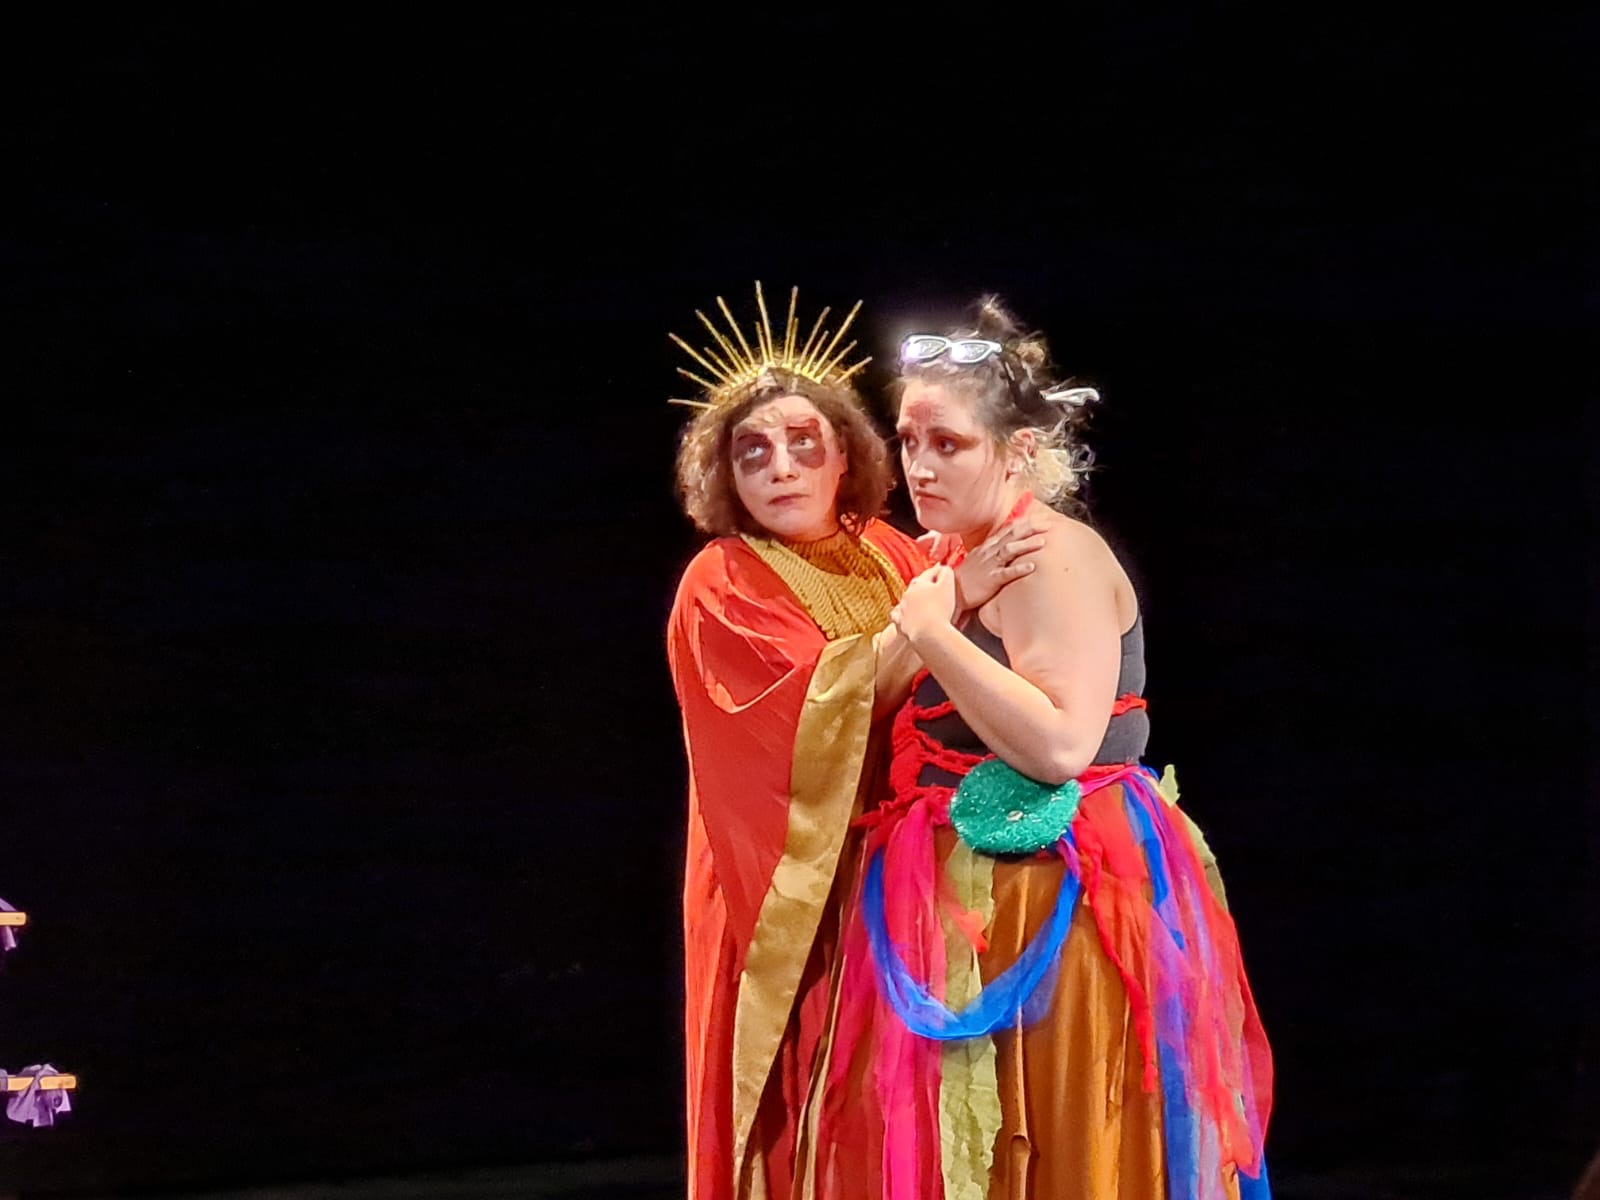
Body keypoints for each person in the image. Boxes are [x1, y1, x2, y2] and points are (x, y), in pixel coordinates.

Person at [816, 297, 1273, 1200]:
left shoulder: (1046, 557)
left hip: (1059, 895)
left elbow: (1062, 745)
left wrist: (933, 631)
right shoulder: (956, 552)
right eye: (909, 441)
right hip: (972, 890)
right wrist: (935, 609)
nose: (919, 466)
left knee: (1055, 1140)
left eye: (949, 444)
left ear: (1018, 450)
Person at [665, 286, 1038, 1200]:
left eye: (805, 443)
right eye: (753, 452)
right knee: (818, 1104)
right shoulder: (723, 579)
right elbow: (807, 715)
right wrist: (944, 609)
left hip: (896, 865)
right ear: (725, 475)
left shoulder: (889, 550)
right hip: (790, 884)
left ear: (847, 453)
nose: (781, 468)